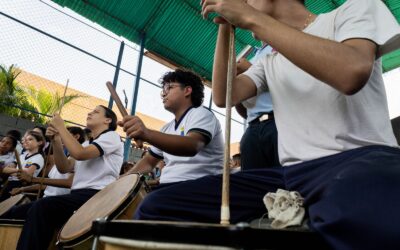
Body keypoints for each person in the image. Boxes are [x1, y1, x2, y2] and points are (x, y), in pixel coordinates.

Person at [132, 0, 400, 249]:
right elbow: (224, 95)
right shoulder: (269, 61)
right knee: (158, 207)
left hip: (359, 158)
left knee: (364, 217)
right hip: (290, 175)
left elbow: (351, 71)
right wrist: (225, 26)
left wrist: (250, 17)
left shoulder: (354, 10)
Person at [13, 105, 123, 250]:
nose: (90, 112)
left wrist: (61, 127)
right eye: (91, 110)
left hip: (96, 196)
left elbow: (80, 154)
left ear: (108, 120)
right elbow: (64, 167)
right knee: (16, 212)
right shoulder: (85, 143)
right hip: (78, 196)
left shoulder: (112, 136)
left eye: (96, 112)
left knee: (43, 207)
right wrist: (57, 140)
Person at [119, 69, 224, 188]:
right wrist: (123, 179)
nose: (164, 93)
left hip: (199, 185)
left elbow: (192, 146)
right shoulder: (166, 128)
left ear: (187, 90)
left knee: (149, 203)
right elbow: (149, 162)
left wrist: (147, 133)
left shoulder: (201, 113)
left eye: (169, 87)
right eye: (163, 90)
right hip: (171, 187)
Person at [236, 43, 280, 169]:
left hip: (278, 122)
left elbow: (286, 81)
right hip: (252, 127)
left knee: (285, 180)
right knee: (253, 182)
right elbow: (245, 111)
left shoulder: (280, 45)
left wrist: (249, 69)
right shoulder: (253, 55)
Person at [1, 130, 45, 201]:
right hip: (9, 183)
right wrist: (18, 171)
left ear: (39, 142)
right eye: (26, 139)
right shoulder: (22, 155)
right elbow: (5, 169)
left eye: (30, 139)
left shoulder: (39, 157)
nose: (26, 141)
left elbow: (26, 174)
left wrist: (12, 172)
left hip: (21, 186)